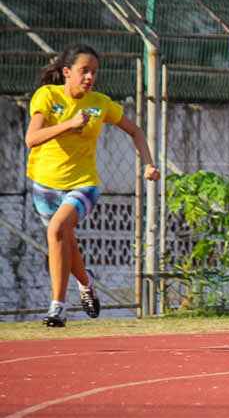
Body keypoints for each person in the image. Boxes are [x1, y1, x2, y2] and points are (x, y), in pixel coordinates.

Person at [24, 44, 160, 327]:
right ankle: (86, 283)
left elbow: (134, 130)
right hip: (45, 184)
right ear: (66, 72)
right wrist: (68, 124)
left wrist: (148, 163)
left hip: (83, 184)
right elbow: (32, 138)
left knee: (58, 230)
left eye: (94, 72)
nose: (89, 77)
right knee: (65, 242)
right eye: (83, 71)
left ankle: (57, 308)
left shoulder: (100, 103)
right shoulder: (47, 96)